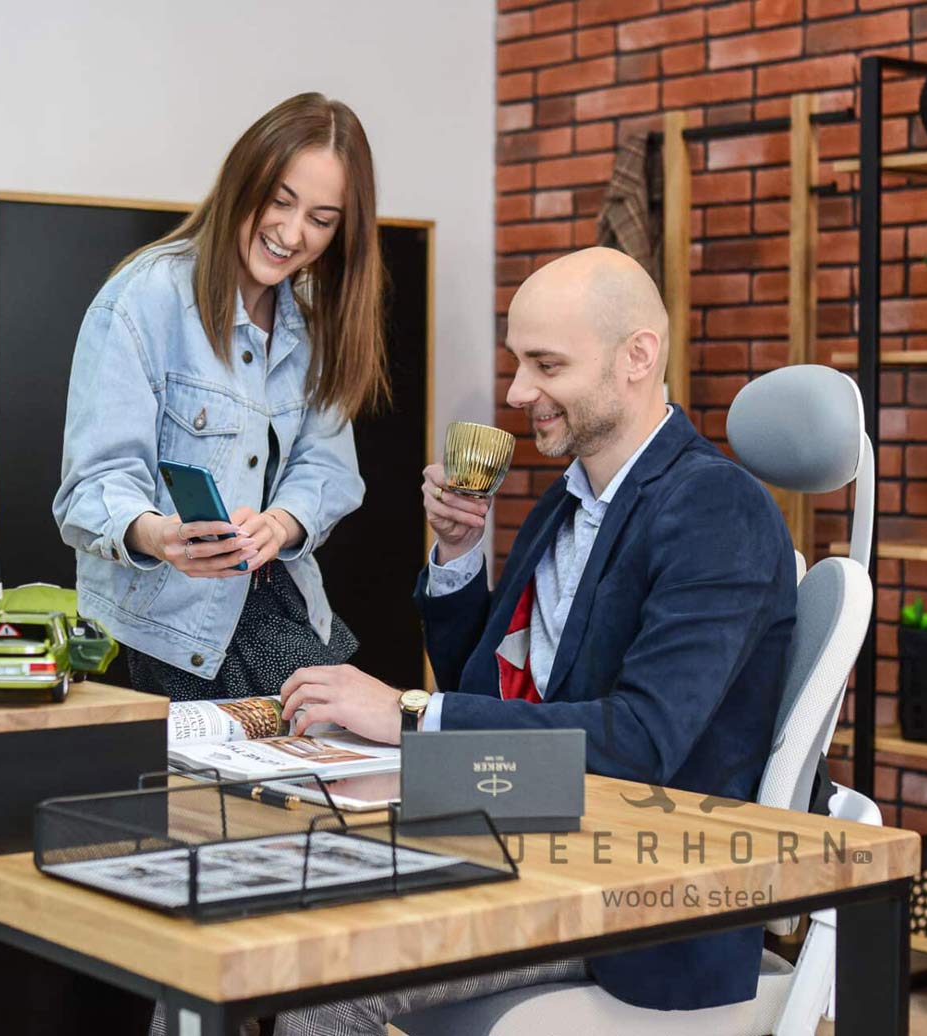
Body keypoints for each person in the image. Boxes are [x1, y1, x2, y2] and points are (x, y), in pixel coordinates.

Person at [274, 247, 797, 1033]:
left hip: (629, 891)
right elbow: (492, 696)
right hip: (531, 834)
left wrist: (411, 715)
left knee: (325, 975)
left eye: (546, 365)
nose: (519, 393)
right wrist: (457, 556)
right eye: (517, 364)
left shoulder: (716, 511)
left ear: (638, 357)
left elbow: (639, 741)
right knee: (252, 908)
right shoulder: (568, 499)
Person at [53, 92, 387, 703]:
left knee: (359, 747)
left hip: (283, 606)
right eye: (281, 201)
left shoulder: (310, 327)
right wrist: (159, 536)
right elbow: (91, 487)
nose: (292, 233)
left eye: (321, 218)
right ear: (242, 181)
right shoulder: (144, 299)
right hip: (163, 631)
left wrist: (280, 525)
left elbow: (328, 471)